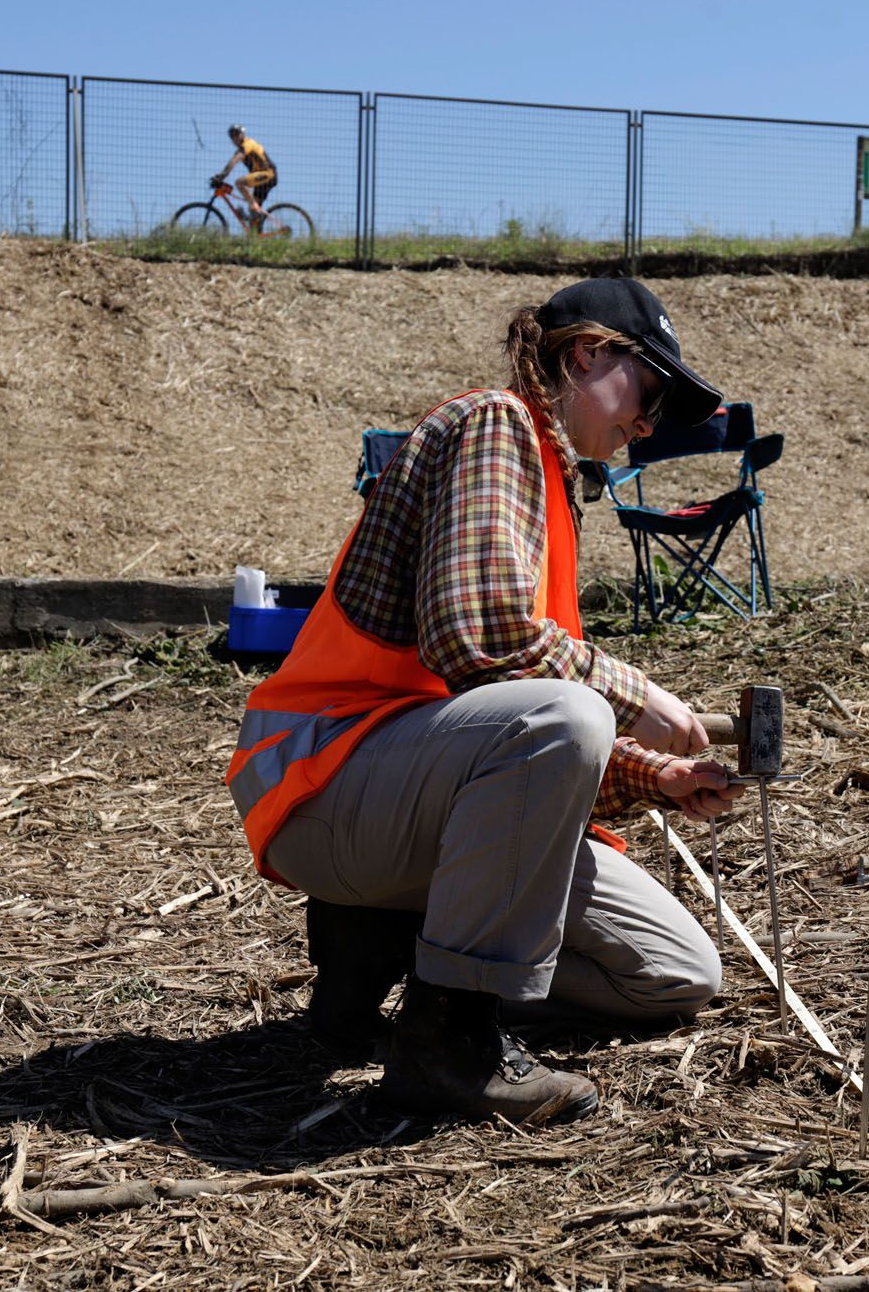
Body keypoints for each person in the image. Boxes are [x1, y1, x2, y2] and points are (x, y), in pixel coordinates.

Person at [226, 278, 743, 1125]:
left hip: (415, 787)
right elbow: (480, 638)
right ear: (586, 356)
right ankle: (446, 1039)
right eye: (647, 391)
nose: (647, 424)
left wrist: (661, 778)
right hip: (328, 777)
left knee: (676, 970)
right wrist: (637, 694)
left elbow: (525, 744)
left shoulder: (549, 483)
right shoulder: (494, 427)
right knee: (572, 715)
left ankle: (396, 944)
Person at [213, 124, 276, 230]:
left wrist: (222, 175)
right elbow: (234, 161)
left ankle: (255, 209)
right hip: (261, 179)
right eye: (231, 136)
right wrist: (221, 176)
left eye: (236, 134)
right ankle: (255, 238)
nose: (234, 138)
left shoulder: (248, 144)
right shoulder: (240, 150)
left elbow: (234, 160)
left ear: (242, 135)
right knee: (253, 217)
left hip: (268, 174)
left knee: (239, 183)